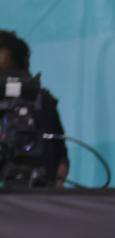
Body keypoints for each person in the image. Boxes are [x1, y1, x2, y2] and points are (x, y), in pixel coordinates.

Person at [0, 29, 68, 187]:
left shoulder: (40, 99)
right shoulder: (40, 97)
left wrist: (55, 187)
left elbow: (61, 156)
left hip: (37, 192)